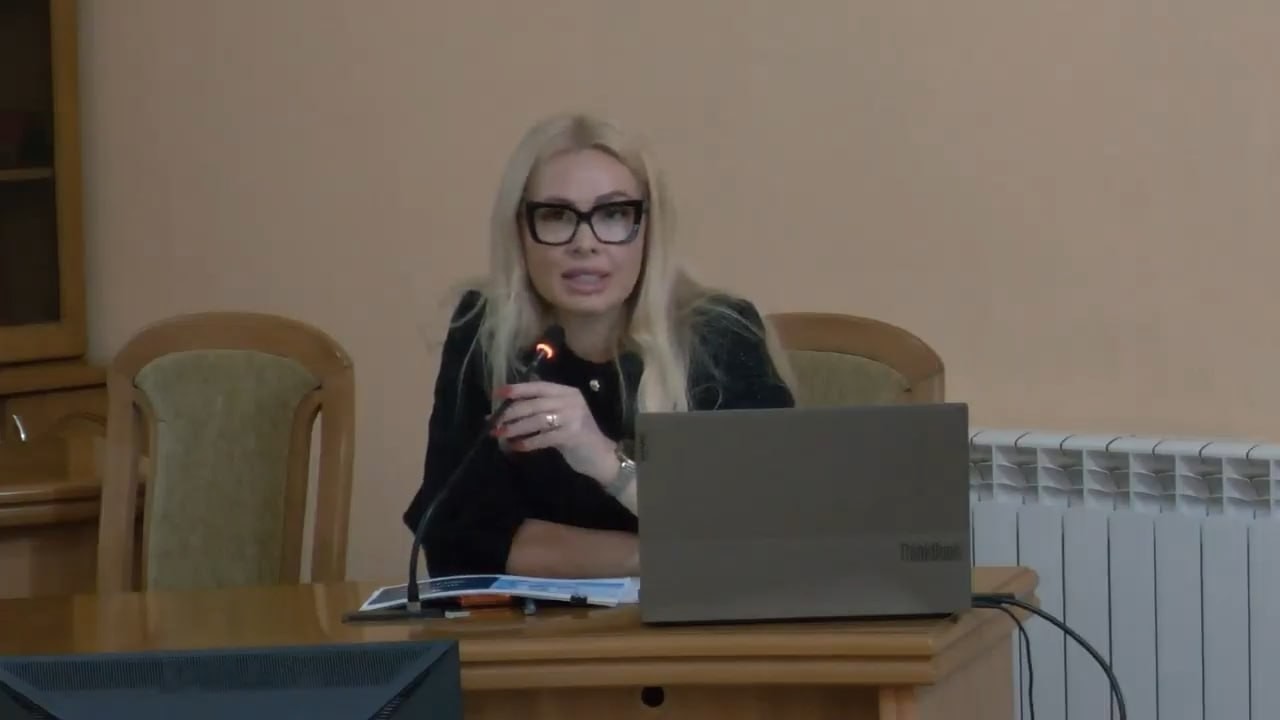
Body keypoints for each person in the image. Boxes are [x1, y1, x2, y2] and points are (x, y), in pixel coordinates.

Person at [403, 112, 796, 579]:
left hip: (699, 624)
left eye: (613, 215)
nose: (585, 243)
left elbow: (769, 533)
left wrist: (606, 462)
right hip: (541, 625)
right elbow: (455, 543)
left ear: (648, 230)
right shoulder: (485, 333)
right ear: (520, 230)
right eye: (556, 216)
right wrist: (667, 554)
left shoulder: (719, 335)